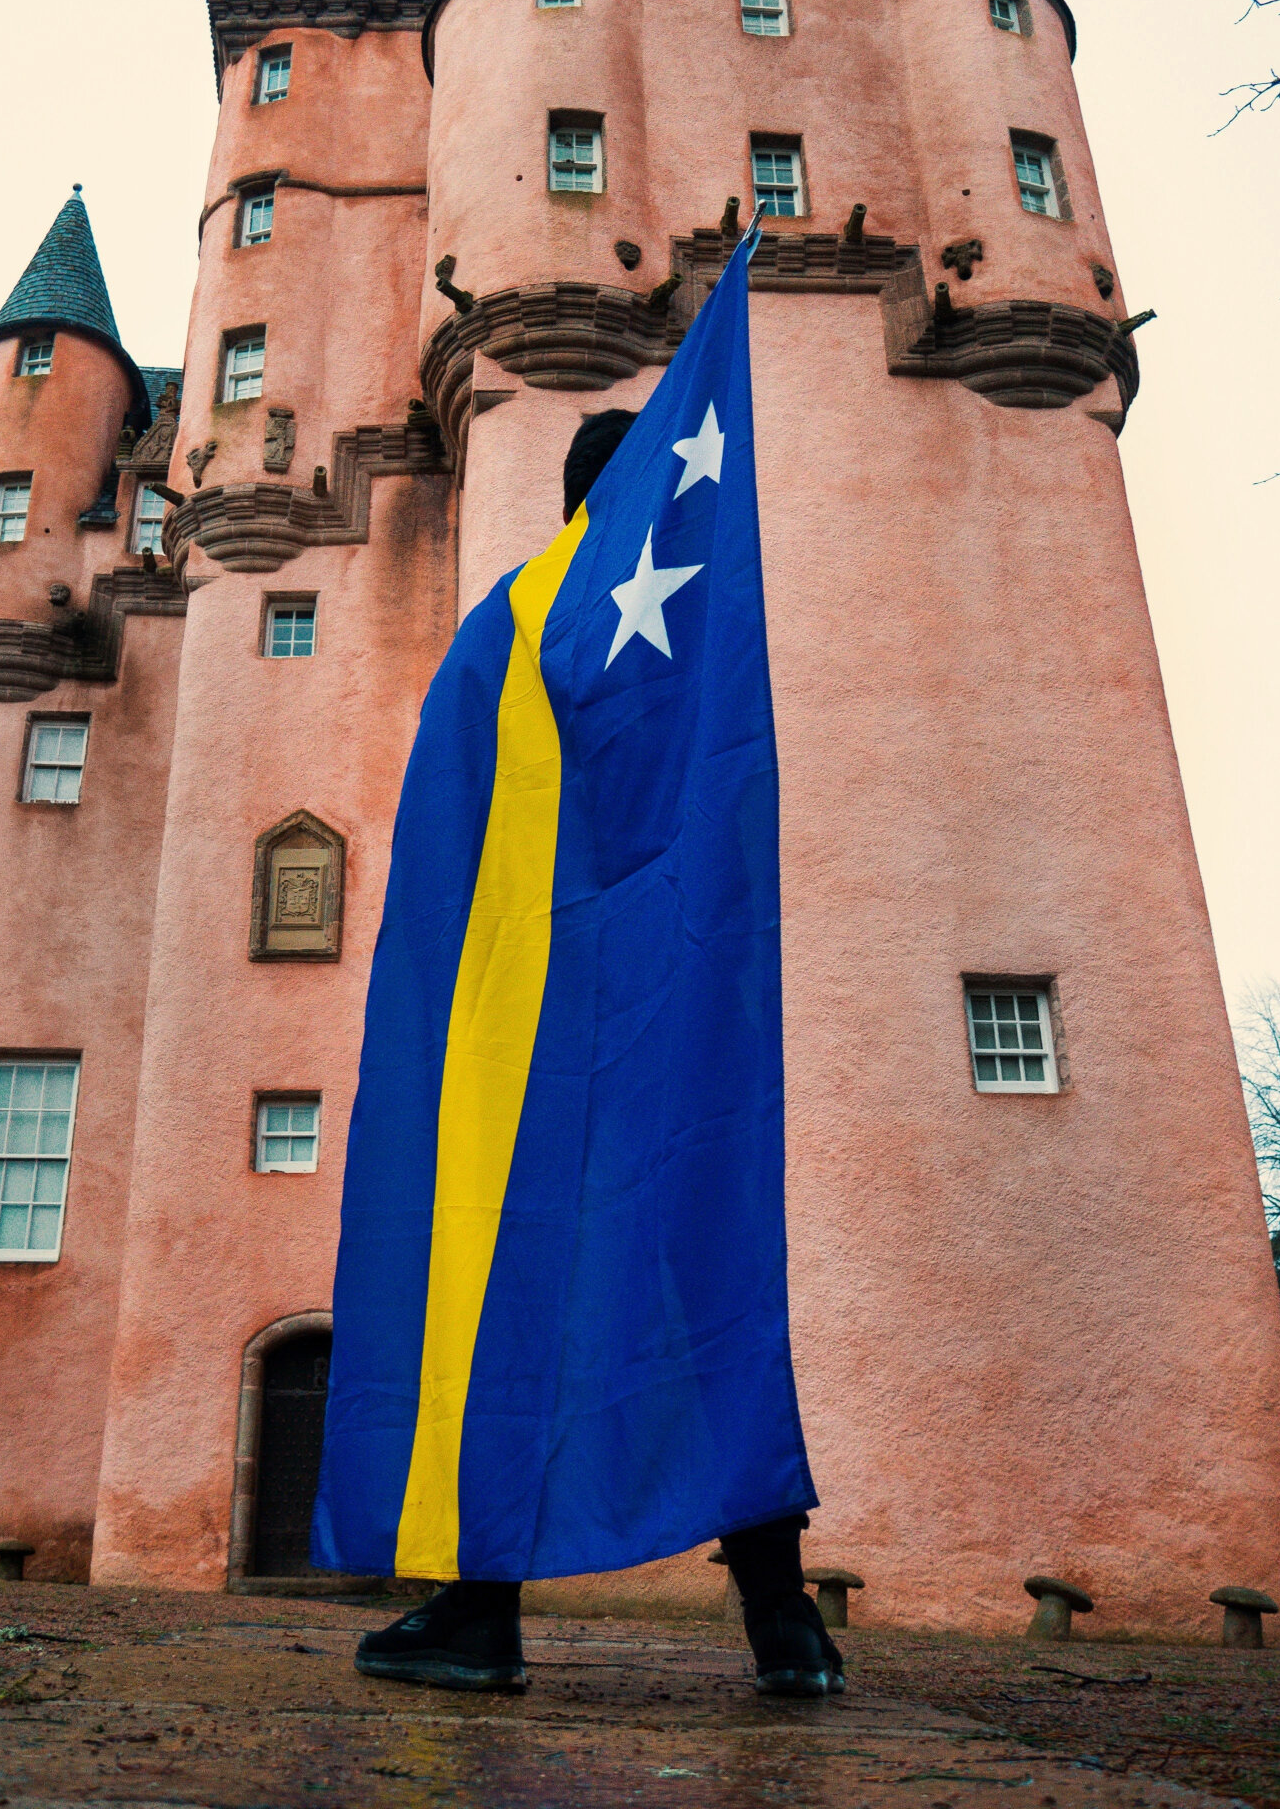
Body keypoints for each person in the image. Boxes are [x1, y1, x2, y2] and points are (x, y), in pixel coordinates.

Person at [349, 411, 844, 1701]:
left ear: (577, 500)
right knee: (708, 1285)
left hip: (546, 1045)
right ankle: (784, 1627)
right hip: (687, 1026)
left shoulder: (522, 619)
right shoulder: (720, 628)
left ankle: (478, 1610)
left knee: (506, 1291)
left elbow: (454, 829)